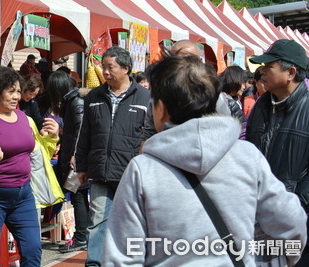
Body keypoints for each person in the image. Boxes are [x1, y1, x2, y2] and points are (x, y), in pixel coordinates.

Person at [103, 55, 307, 266]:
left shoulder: (142, 170)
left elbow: (122, 255)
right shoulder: (247, 156)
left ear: (161, 109)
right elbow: (291, 222)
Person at [0, 66, 61, 267]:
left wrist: (52, 138)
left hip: (24, 196)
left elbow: (39, 155)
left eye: (18, 91)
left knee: (32, 252)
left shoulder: (26, 119)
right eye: (10, 91)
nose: (16, 96)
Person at [74, 46, 151, 267]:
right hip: (99, 170)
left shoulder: (145, 98)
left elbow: (149, 134)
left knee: (131, 222)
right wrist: (81, 165)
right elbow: (85, 133)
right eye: (103, 67)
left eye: (111, 68)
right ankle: (95, 263)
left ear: (126, 68)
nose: (106, 72)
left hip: (131, 172)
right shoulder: (94, 97)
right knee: (97, 221)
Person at [246, 39, 309, 264]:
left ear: (291, 72)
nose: (261, 72)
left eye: (268, 66)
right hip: (258, 219)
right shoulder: (261, 106)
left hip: (299, 222)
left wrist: (293, 205)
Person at [45, 71, 90, 253]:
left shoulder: (75, 101)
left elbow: (80, 128)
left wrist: (76, 154)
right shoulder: (74, 99)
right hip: (73, 154)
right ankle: (83, 237)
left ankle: (81, 238)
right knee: (78, 196)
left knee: (78, 196)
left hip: (74, 157)